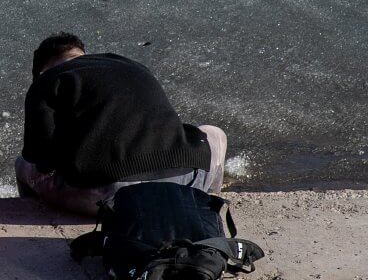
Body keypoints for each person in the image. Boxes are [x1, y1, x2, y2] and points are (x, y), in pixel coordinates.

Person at [18, 32, 228, 217]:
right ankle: (205, 212)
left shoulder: (48, 80)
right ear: (84, 55)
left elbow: (40, 159)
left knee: (23, 165)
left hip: (112, 198)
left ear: (40, 72)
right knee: (214, 133)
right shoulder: (131, 65)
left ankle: (32, 214)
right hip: (185, 183)